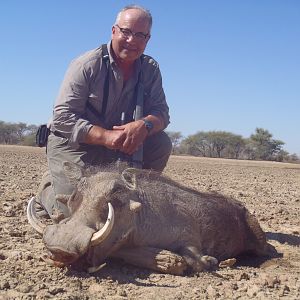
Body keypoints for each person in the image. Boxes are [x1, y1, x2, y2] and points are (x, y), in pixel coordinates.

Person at [36, 5, 171, 221]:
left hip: (118, 145)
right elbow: (62, 118)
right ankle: (48, 188)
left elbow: (162, 113)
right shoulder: (87, 64)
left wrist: (144, 125)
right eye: (126, 32)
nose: (131, 40)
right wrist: (106, 136)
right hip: (76, 143)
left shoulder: (150, 69)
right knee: (77, 214)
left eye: (140, 35)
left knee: (161, 143)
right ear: (113, 31)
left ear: (148, 39)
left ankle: (136, 195)